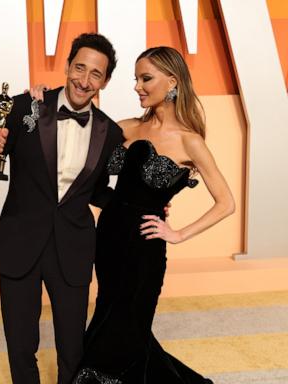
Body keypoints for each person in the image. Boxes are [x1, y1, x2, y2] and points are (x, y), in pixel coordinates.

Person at [69, 46, 235, 383]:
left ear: (172, 81)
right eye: (136, 79)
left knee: (129, 326)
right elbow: (73, 130)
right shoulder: (126, 128)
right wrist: (39, 98)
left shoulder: (191, 143)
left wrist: (177, 233)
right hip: (109, 239)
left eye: (146, 78)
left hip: (144, 249)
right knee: (110, 316)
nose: (137, 86)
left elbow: (226, 202)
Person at [0, 33, 125, 384]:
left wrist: (142, 208)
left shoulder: (110, 132)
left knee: (73, 348)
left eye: (95, 74)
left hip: (73, 249)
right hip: (19, 243)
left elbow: (98, 192)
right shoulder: (27, 106)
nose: (84, 80)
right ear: (67, 66)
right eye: (79, 67)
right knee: (21, 345)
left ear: (106, 81)